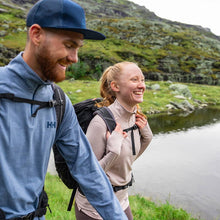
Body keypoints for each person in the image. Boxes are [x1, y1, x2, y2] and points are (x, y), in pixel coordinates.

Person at [0, 0, 128, 219]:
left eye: (78, 48)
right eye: (69, 45)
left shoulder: (58, 101)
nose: (74, 58)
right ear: (37, 34)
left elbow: (87, 169)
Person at [74, 61, 153, 220]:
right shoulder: (100, 123)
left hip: (121, 200)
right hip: (94, 207)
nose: (141, 85)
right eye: (134, 80)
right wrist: (113, 152)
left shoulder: (136, 117)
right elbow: (88, 176)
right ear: (115, 86)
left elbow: (128, 161)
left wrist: (147, 138)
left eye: (142, 80)